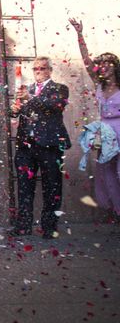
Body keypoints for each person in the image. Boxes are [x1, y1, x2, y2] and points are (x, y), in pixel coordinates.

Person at [8, 57, 71, 239]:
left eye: (42, 68)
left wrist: (31, 98)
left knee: (52, 186)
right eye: (35, 68)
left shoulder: (60, 88)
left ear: (50, 70)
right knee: (24, 187)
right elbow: (15, 114)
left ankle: (49, 227)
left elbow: (55, 106)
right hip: (26, 145)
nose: (38, 71)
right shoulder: (26, 90)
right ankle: (23, 226)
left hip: (49, 145)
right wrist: (15, 107)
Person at [69, 18, 120, 218]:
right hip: (106, 133)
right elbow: (86, 61)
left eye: (108, 64)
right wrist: (79, 34)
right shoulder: (99, 85)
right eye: (101, 64)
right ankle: (117, 211)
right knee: (107, 175)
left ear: (115, 66)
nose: (103, 67)